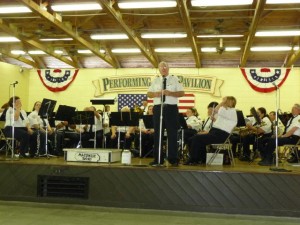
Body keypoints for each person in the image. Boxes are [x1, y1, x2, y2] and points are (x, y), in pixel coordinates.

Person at [147, 61, 184, 166]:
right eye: (161, 67)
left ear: (168, 68)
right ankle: (158, 159)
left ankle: (173, 159)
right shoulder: (156, 80)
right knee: (158, 133)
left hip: (170, 108)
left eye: (165, 66)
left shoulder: (175, 79)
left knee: (172, 133)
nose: (163, 68)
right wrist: (156, 94)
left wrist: (170, 93)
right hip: (158, 108)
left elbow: (182, 93)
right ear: (158, 69)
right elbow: (149, 94)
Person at [184, 96, 237, 165]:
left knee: (197, 138)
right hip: (215, 132)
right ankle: (201, 159)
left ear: (229, 101)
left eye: (224, 100)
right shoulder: (225, 110)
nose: (222, 101)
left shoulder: (231, 111)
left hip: (221, 135)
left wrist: (222, 103)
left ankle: (194, 159)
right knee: (193, 138)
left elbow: (215, 110)